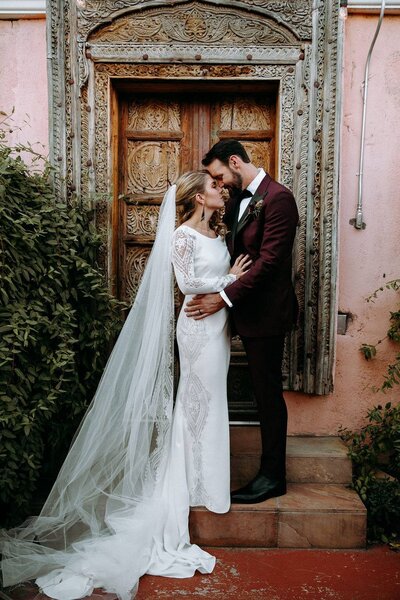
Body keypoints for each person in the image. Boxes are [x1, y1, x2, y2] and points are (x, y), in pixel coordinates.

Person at [0, 170, 250, 600]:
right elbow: (188, 284)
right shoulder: (183, 237)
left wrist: (230, 277)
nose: (220, 190)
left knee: (209, 404)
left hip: (218, 329)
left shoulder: (215, 232)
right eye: (213, 187)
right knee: (196, 403)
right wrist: (232, 279)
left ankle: (206, 479)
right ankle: (192, 482)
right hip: (196, 331)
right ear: (196, 196)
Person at [185, 140, 299, 504]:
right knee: (257, 389)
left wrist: (223, 297)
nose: (219, 183)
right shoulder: (236, 201)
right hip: (235, 316)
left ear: (235, 162)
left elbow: (269, 262)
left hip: (265, 314)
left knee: (267, 394)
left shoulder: (279, 199)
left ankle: (272, 476)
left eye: (219, 175)